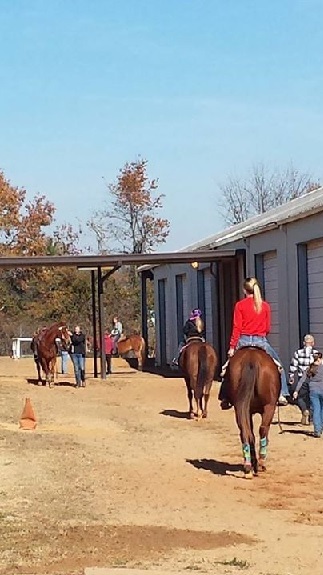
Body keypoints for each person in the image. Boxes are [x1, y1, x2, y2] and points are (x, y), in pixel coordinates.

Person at [219, 277, 289, 409]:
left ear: (244, 290)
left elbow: (237, 327)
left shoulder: (240, 305)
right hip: (260, 341)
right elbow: (268, 328)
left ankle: (225, 397)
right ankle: (282, 393)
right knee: (279, 367)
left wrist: (232, 347)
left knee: (227, 369)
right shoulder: (265, 306)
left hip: (243, 340)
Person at [289, 334, 318, 425]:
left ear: (304, 343)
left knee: (301, 398)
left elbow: (293, 366)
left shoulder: (298, 353)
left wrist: (291, 377)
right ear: (313, 343)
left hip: (302, 380)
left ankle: (305, 410)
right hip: (314, 380)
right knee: (313, 399)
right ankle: (312, 419)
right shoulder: (316, 353)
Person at [293, 352, 323, 437]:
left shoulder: (309, 368)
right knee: (322, 409)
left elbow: (302, 380)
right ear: (320, 359)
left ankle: (317, 430)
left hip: (313, 390)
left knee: (316, 409)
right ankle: (321, 427)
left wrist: (296, 391)